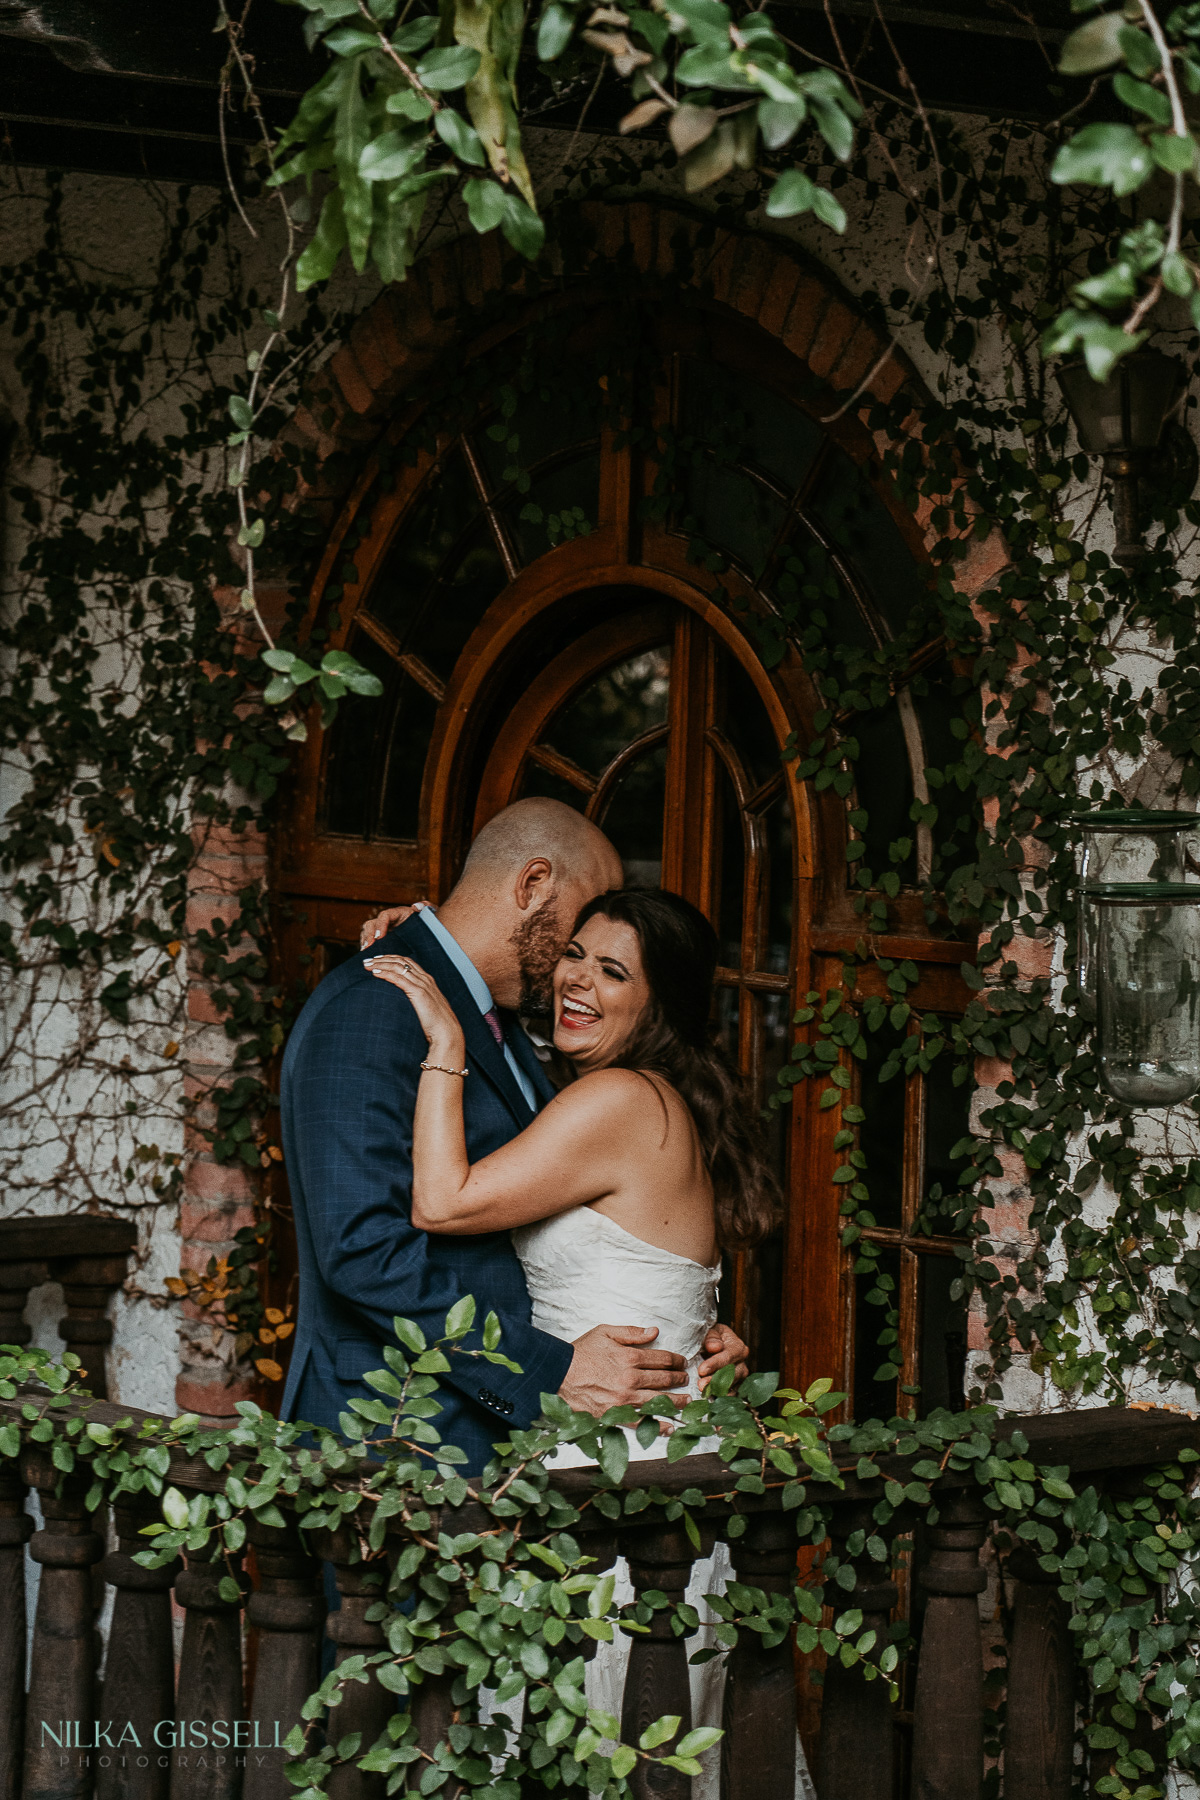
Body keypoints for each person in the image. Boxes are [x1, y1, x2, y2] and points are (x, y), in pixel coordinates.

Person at [363, 885, 816, 1800]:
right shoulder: (639, 1094)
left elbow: (440, 1204)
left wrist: (444, 1040)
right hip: (638, 1446)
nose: (576, 980)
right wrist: (419, 930)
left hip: (620, 1462)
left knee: (606, 1734)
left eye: (613, 972)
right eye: (573, 953)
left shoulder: (616, 1098)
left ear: (658, 1005)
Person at [279, 798, 748, 1470]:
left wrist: (687, 1331)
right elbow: (364, 1251)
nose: (577, 963)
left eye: (613, 967)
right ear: (531, 886)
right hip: (398, 1440)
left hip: (505, 1445)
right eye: (584, 920)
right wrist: (549, 1369)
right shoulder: (377, 1008)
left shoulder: (501, 1029)